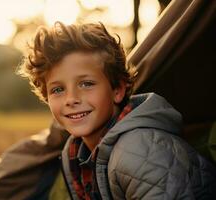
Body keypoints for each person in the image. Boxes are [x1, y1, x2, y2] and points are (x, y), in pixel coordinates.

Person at [18, 21, 216, 199]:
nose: (71, 99)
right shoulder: (78, 153)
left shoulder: (138, 149)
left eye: (86, 84)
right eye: (58, 89)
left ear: (118, 90)